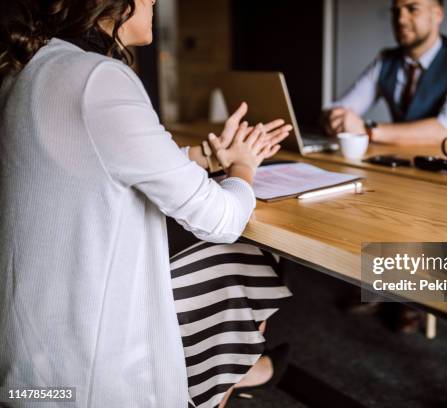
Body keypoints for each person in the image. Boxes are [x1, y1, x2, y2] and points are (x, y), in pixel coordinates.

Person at [0, 1, 291, 407]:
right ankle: (231, 378)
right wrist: (243, 168)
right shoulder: (99, 78)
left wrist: (208, 159)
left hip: (27, 367)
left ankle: (245, 371)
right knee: (243, 251)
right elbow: (221, 220)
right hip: (90, 382)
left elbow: (96, 159)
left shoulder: (28, 70)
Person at [323, 0, 447, 145]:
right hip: (398, 166)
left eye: (412, 8)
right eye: (396, 11)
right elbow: (339, 108)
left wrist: (367, 130)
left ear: (437, 14)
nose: (400, 20)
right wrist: (335, 119)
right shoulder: (385, 59)